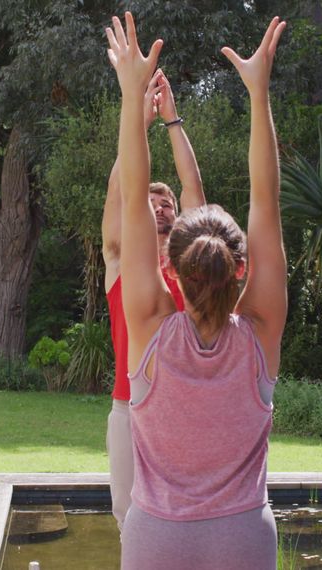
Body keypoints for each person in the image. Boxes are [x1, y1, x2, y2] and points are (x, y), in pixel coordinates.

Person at [106, 12, 288, 569]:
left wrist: (131, 96)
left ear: (175, 273)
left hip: (156, 537)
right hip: (243, 538)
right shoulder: (259, 333)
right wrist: (259, 95)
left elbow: (133, 197)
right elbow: (266, 201)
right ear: (241, 269)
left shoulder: (149, 324)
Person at [103, 65, 206, 529]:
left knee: (189, 517)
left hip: (185, 407)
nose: (162, 206)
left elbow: (193, 192)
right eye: (151, 200)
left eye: (166, 203)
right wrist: (137, 123)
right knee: (129, 520)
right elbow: (117, 191)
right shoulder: (121, 262)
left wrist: (171, 120)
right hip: (129, 408)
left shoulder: (192, 270)